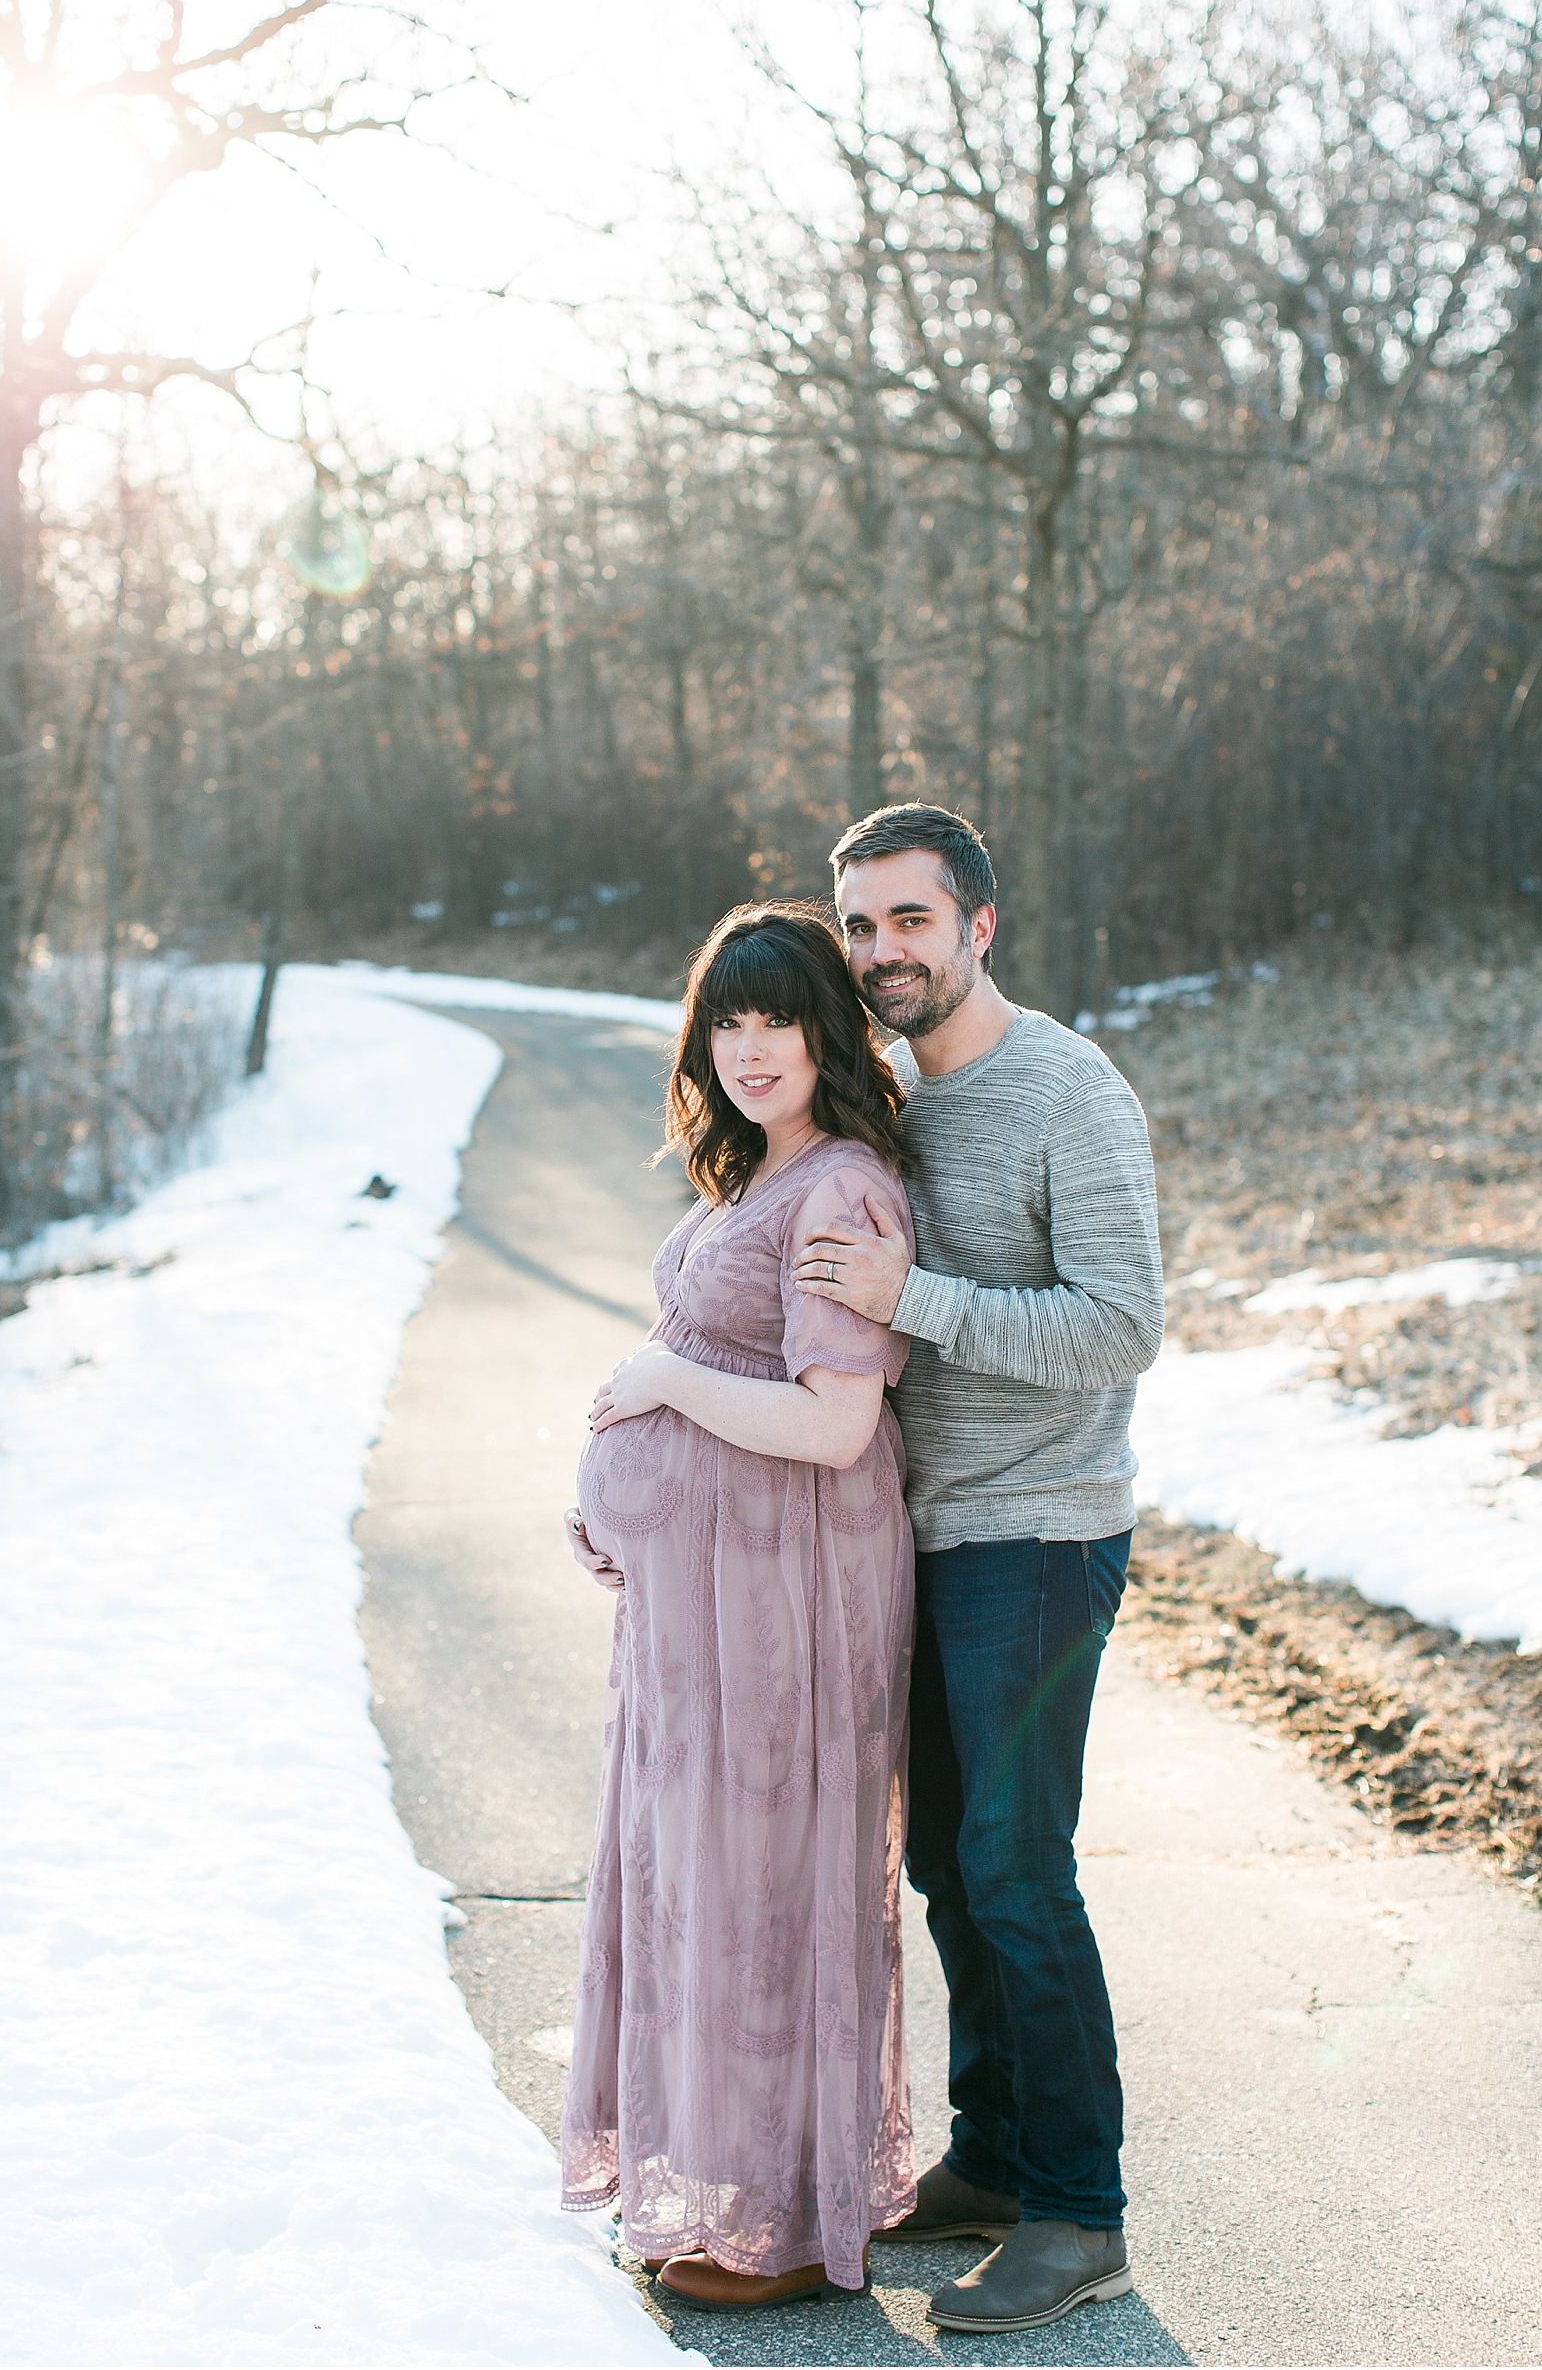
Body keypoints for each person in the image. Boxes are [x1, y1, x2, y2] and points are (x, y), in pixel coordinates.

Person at [793, 802, 1164, 2337]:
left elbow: (1119, 1327)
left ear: (979, 926)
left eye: (912, 923)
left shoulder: (1067, 1091)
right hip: (924, 1535)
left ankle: (1080, 2213)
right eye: (863, 928)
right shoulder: (889, 1099)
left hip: (1041, 1529)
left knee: (1021, 1871)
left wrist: (917, 1296)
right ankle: (995, 2158)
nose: (885, 953)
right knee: (951, 1863)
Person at [560, 904, 919, 2312]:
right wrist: (620, 1503)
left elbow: (835, 1426)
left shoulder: (838, 1191)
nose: (752, 1047)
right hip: (708, 1592)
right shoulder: (759, 1172)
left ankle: (777, 2216)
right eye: (729, 1020)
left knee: (765, 1886)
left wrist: (657, 1396)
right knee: (701, 1879)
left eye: (778, 1019)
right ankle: (726, 2189)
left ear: (826, 1031)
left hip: (786, 1595)